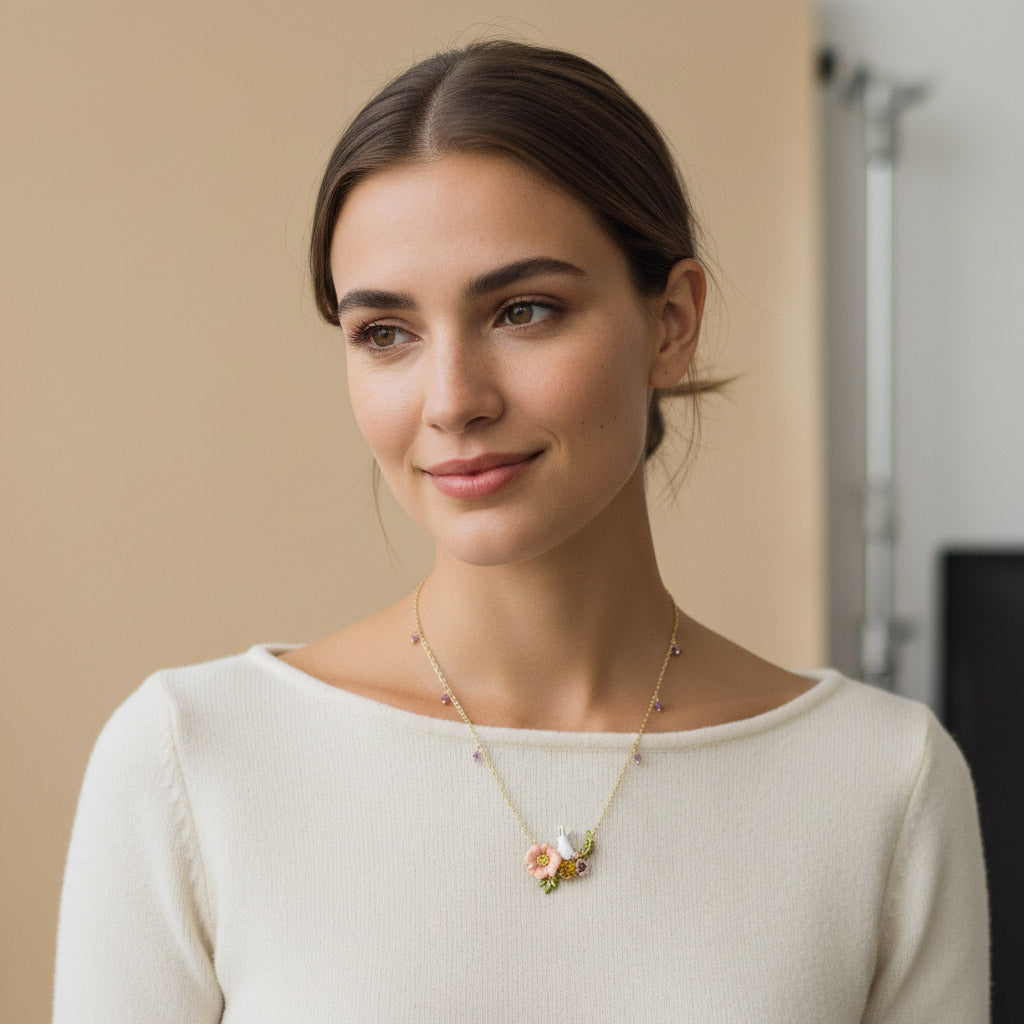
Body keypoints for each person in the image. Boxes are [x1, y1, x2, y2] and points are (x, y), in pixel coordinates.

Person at [53, 40, 989, 1023]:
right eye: (386, 332)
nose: (452, 400)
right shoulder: (194, 758)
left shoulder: (878, 780)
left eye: (523, 310)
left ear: (671, 322)